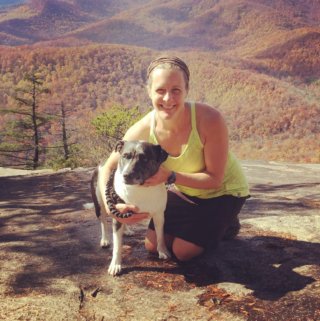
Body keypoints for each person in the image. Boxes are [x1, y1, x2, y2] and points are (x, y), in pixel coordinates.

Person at [98, 55, 250, 262]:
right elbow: (107, 168)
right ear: (149, 92)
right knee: (152, 245)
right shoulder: (143, 129)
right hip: (186, 192)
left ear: (187, 90)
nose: (168, 99)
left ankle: (228, 223)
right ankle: (205, 223)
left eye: (176, 90)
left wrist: (169, 176)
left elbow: (214, 178)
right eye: (160, 91)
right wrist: (111, 208)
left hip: (224, 192)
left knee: (182, 251)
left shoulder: (209, 119)